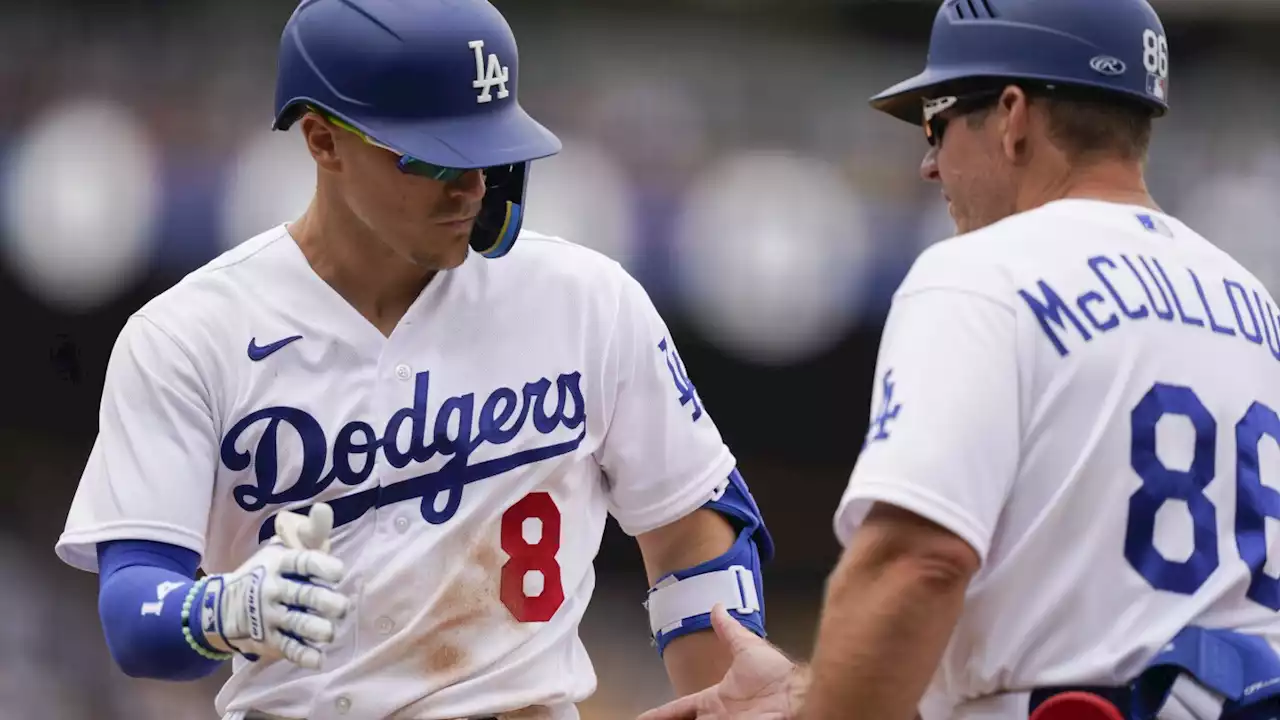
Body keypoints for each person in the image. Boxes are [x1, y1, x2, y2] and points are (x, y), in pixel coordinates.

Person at [52, 1, 773, 718]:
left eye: (490, 150)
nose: (473, 186)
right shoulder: (188, 334)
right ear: (322, 141)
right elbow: (133, 611)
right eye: (433, 155)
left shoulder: (587, 300)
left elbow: (691, 528)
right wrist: (220, 609)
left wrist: (726, 695)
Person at [640, 0, 1280, 718]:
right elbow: (1101, 615)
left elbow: (918, 565)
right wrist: (807, 697)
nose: (927, 163)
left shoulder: (983, 273)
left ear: (1012, 116)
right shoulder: (1253, 305)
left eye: (935, 122)